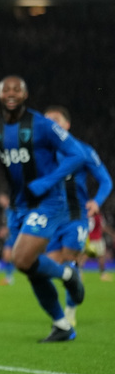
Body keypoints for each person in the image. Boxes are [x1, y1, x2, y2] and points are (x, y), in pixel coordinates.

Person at [0, 75, 88, 342]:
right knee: (29, 268)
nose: (11, 93)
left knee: (21, 259)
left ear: (25, 95)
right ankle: (62, 325)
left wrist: (47, 181)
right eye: (5, 89)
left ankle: (68, 274)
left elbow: (78, 154)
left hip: (49, 201)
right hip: (19, 204)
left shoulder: (42, 125)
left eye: (16, 89)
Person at [41, 105, 113, 327]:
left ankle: (68, 312)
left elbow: (106, 180)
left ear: (67, 125)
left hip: (76, 216)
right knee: (43, 269)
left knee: (70, 259)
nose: (50, 124)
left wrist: (97, 201)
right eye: (46, 121)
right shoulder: (41, 155)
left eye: (55, 119)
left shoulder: (83, 151)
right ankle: (72, 282)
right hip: (50, 219)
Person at [0, 192, 21, 286]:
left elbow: (15, 222)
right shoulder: (6, 210)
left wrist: (5, 230)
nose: (0, 202)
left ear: (6, 198)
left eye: (1, 200)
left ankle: (9, 278)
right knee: (6, 256)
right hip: (11, 235)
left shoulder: (13, 208)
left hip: (16, 235)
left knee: (11, 256)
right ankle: (9, 278)